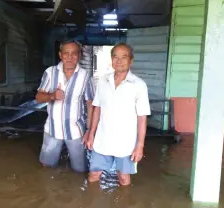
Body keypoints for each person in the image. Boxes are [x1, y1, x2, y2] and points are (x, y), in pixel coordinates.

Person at [85, 43, 151, 185]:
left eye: (124, 57)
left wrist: (140, 146)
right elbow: (97, 108)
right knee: (93, 175)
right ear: (111, 59)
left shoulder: (139, 85)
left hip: (125, 142)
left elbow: (142, 118)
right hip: (102, 139)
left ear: (131, 60)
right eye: (115, 57)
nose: (119, 61)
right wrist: (91, 134)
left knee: (123, 178)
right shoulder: (103, 80)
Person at [35, 40, 95, 172]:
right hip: (52, 129)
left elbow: (90, 105)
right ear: (60, 55)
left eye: (74, 53)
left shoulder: (85, 76)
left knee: (80, 170)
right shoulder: (50, 73)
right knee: (46, 167)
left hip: (76, 131)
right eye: (66, 53)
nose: (70, 57)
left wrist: (89, 131)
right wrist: (52, 96)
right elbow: (38, 98)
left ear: (79, 56)